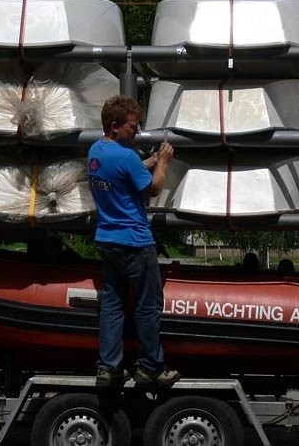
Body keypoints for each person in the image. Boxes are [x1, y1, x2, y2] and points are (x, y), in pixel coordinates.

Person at [87, 95, 180, 388]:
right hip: (135, 241)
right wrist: (162, 162)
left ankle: (109, 367)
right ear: (115, 126)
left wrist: (148, 160)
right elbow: (152, 188)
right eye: (132, 127)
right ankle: (151, 367)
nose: (137, 132)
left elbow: (125, 170)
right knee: (148, 304)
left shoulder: (96, 151)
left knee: (113, 304)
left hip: (107, 238)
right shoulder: (126, 157)